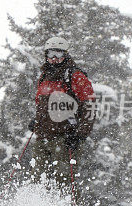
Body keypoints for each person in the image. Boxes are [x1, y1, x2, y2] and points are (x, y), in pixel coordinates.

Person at [27, 36, 95, 192]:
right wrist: (37, 121)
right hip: (43, 136)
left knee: (63, 180)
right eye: (51, 54)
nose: (54, 59)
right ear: (46, 55)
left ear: (66, 55)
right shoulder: (44, 77)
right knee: (37, 178)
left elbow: (90, 108)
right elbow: (42, 105)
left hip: (65, 138)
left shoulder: (75, 76)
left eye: (58, 54)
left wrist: (80, 135)